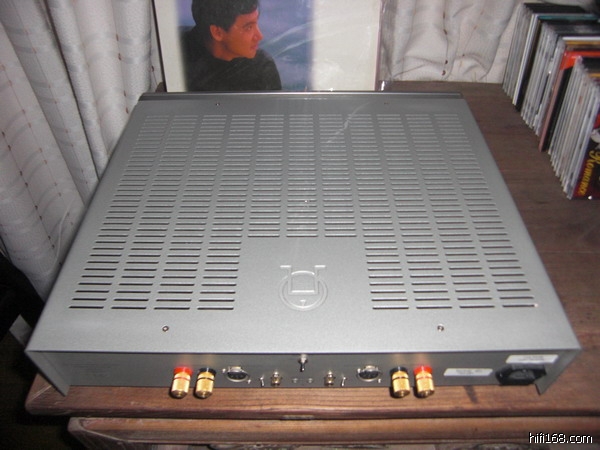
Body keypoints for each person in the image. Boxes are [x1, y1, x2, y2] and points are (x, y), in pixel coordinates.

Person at [182, 0, 282, 91]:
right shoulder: (176, 56)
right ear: (217, 32)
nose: (260, 36)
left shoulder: (262, 69)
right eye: (249, 27)